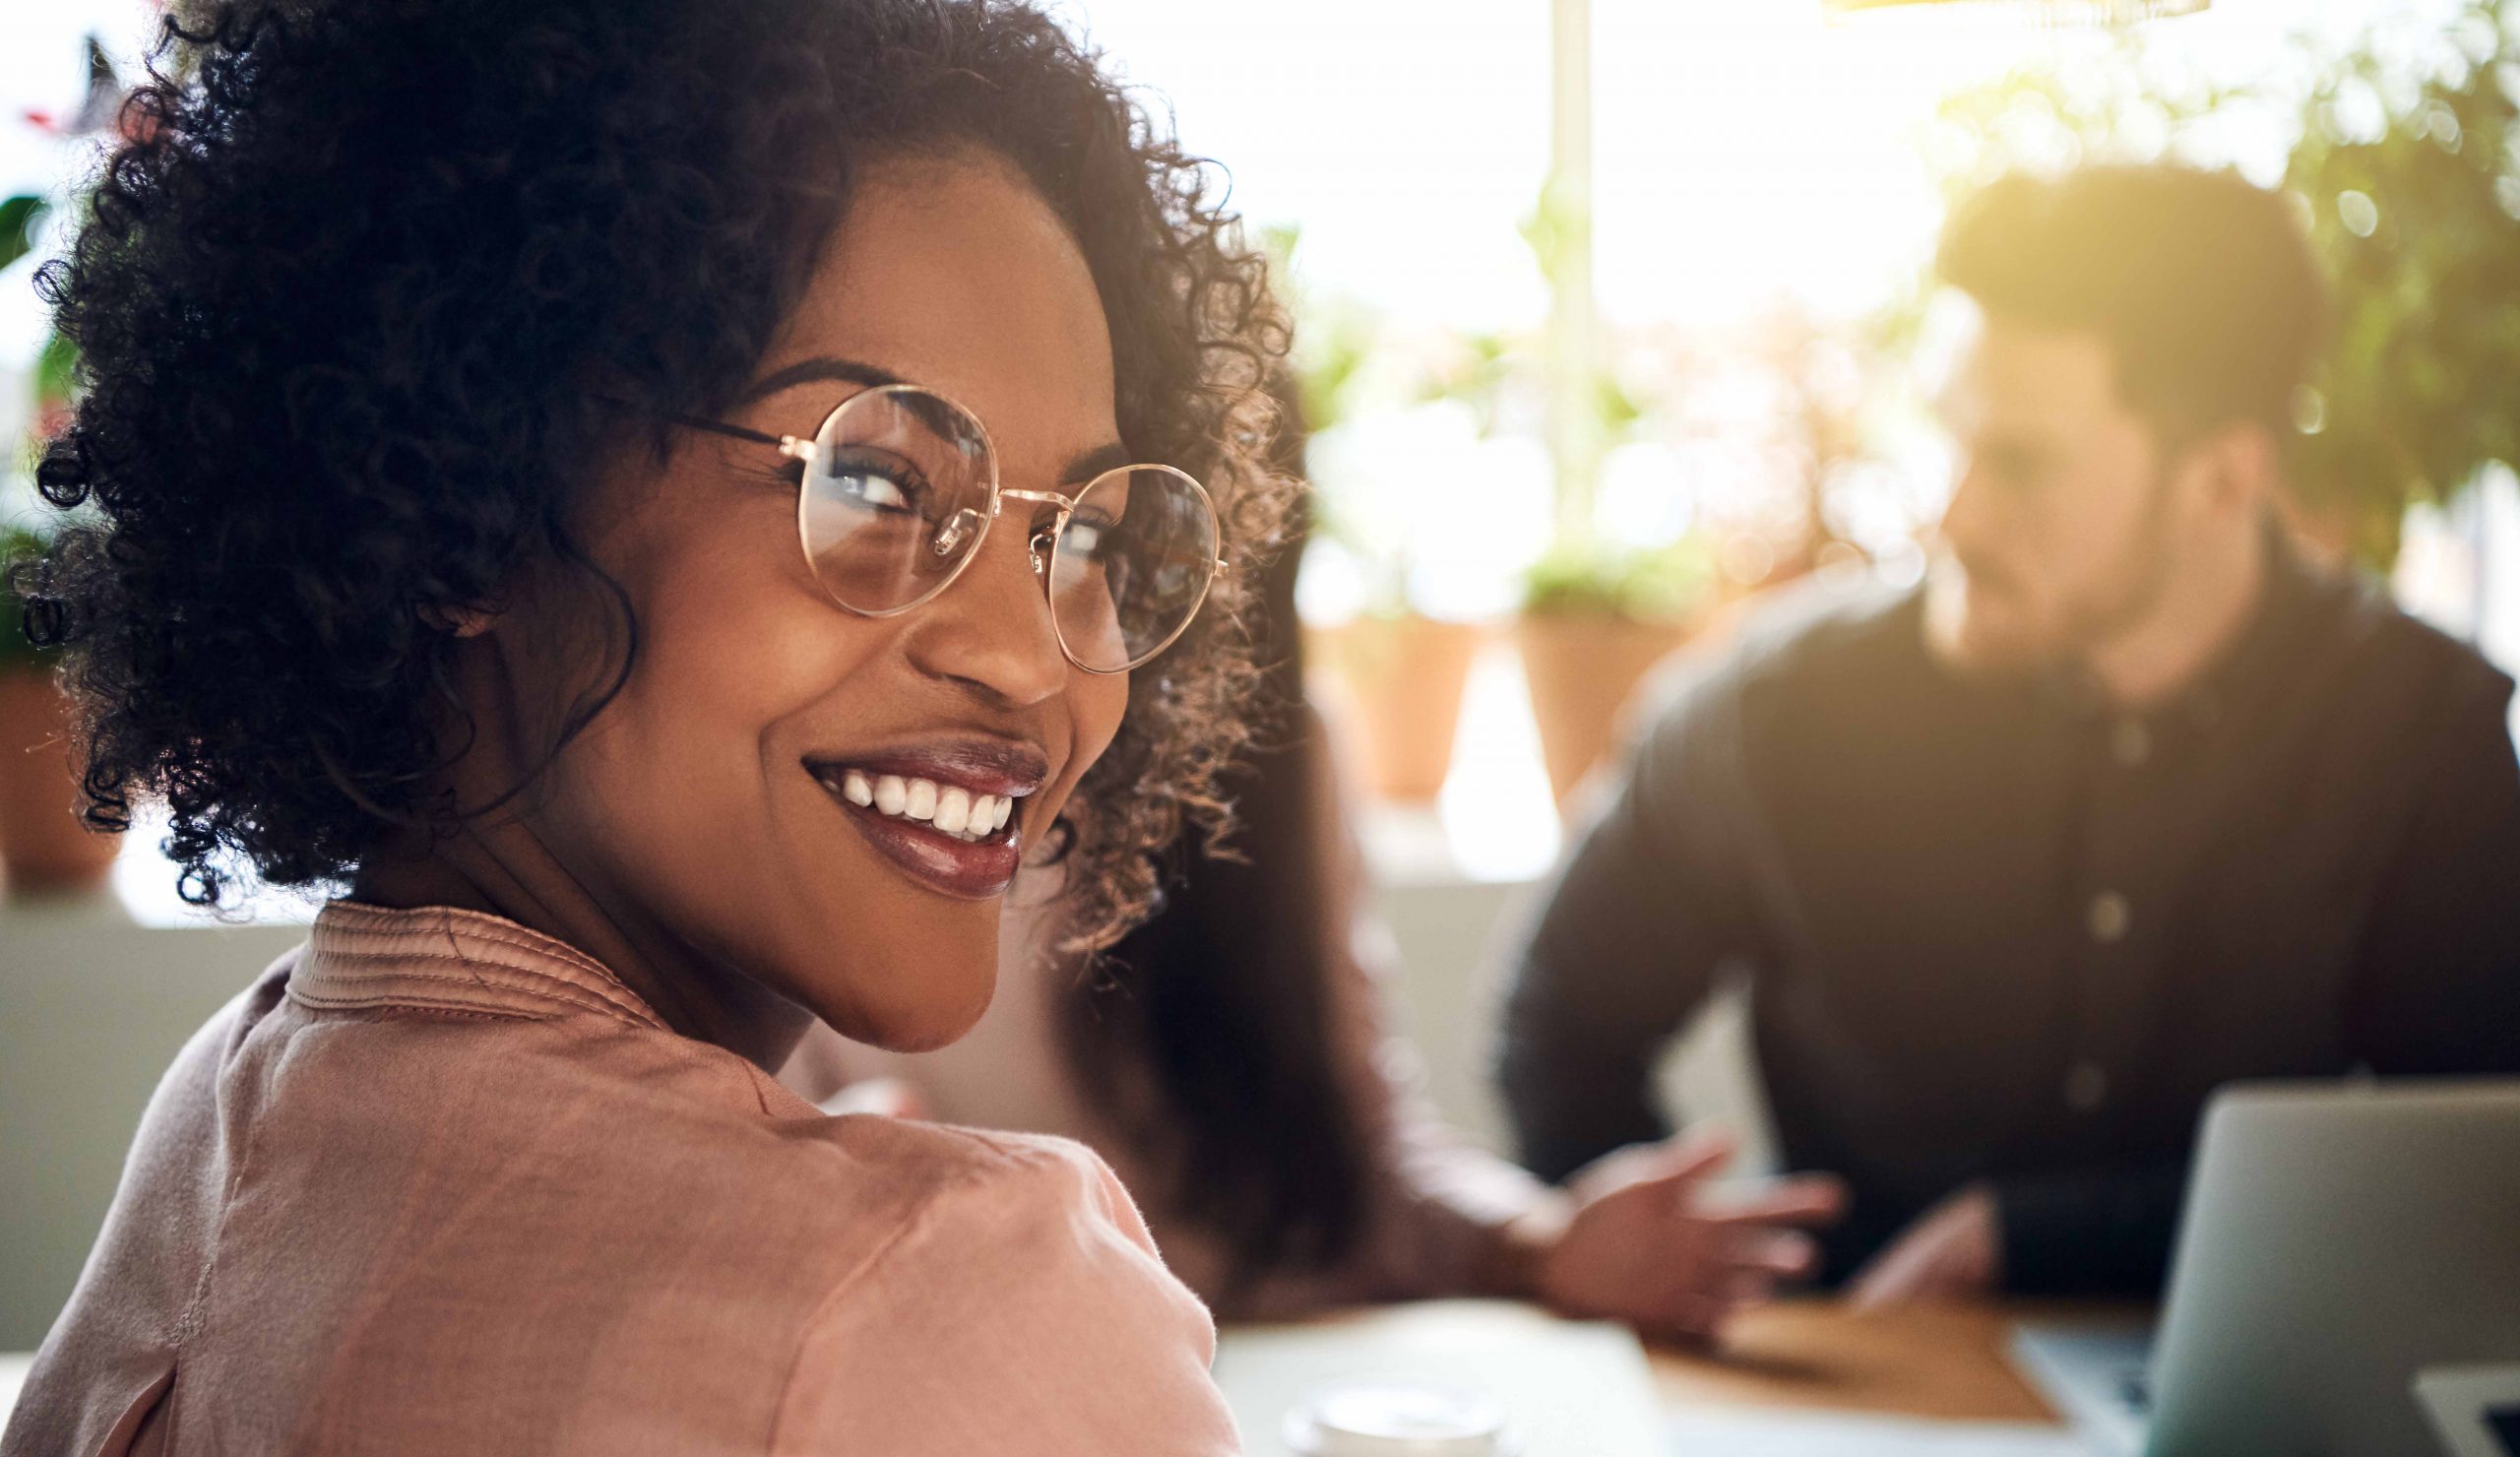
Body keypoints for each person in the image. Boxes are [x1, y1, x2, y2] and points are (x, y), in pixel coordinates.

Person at [2, 0, 1298, 1451]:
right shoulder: (931, 1302)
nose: (1026, 654)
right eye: (874, 484)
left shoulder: (236, 1121)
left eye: (1085, 534)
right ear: (474, 514)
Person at [1495, 163, 2520, 1303]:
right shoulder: (1780, 710)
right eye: (1956, 441)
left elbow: (2483, 1161)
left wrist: (2027, 1238)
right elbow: (1560, 1022)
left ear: (2222, 479)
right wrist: (1671, 1271)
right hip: (1860, 1390)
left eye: (2022, 463)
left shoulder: (2423, 736)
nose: (1956, 514)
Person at [784, 465, 1846, 1345]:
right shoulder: (849, 765)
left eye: (1117, 523)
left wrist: (1538, 1243)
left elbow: (1368, 1160)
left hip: (1288, 1382)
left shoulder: (1284, 748)